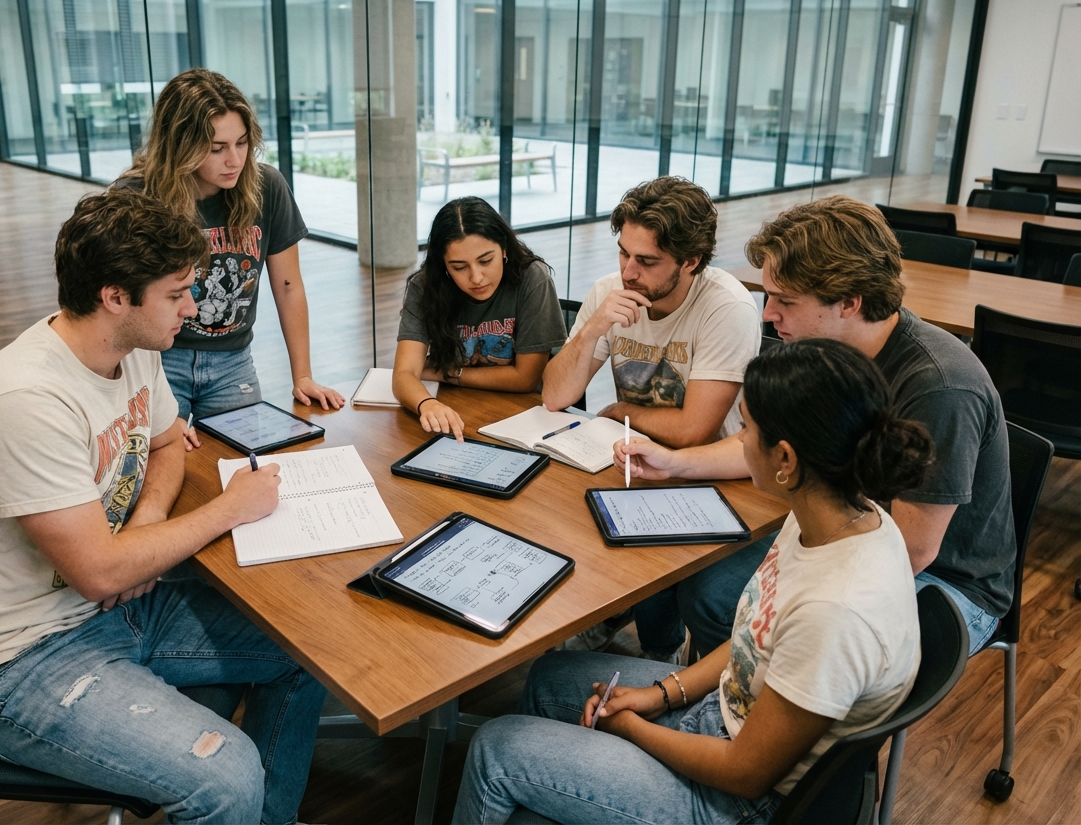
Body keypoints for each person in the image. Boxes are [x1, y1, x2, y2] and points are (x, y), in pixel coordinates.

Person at [0, 190, 326, 824]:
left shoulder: (135, 346)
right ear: (115, 295)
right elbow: (100, 572)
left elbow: (168, 442)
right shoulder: (26, 399)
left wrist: (142, 531)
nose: (193, 309)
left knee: (309, 649)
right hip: (21, 660)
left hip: (115, 607)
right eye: (176, 294)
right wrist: (228, 509)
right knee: (224, 777)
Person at [453, 339, 932, 825]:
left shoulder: (836, 612)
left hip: (739, 800)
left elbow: (746, 773)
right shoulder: (837, 512)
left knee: (495, 750)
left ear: (785, 460)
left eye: (746, 428)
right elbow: (753, 639)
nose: (739, 440)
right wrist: (662, 694)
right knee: (550, 678)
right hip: (725, 716)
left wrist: (633, 728)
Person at [617, 195, 1016, 661]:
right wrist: (675, 463)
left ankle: (737, 717)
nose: (768, 314)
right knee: (704, 585)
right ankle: (723, 706)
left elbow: (911, 552)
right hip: (840, 529)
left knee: (728, 602)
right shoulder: (829, 345)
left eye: (785, 300)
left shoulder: (939, 389)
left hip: (945, 584)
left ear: (849, 302)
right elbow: (767, 443)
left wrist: (789, 590)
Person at [117, 67, 342, 446]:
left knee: (242, 467)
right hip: (157, 360)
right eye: (217, 148)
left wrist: (302, 376)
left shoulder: (266, 185)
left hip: (232, 362)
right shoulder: (135, 196)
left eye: (242, 143)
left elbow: (288, 287)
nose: (234, 160)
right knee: (162, 468)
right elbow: (116, 304)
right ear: (180, 146)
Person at [541, 176, 760, 448]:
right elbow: (554, 397)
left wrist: (620, 412)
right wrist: (590, 331)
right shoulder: (608, 290)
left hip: (701, 470)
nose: (628, 272)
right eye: (624, 253)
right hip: (630, 454)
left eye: (646, 261)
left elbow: (692, 433)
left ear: (691, 261)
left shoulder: (727, 308)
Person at [394, 196, 567, 440]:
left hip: (523, 417)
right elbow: (403, 374)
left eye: (486, 261)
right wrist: (426, 404)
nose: (476, 277)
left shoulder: (532, 278)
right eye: (459, 267)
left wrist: (448, 373)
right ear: (443, 265)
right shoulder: (425, 286)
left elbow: (526, 379)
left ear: (504, 248)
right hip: (455, 410)